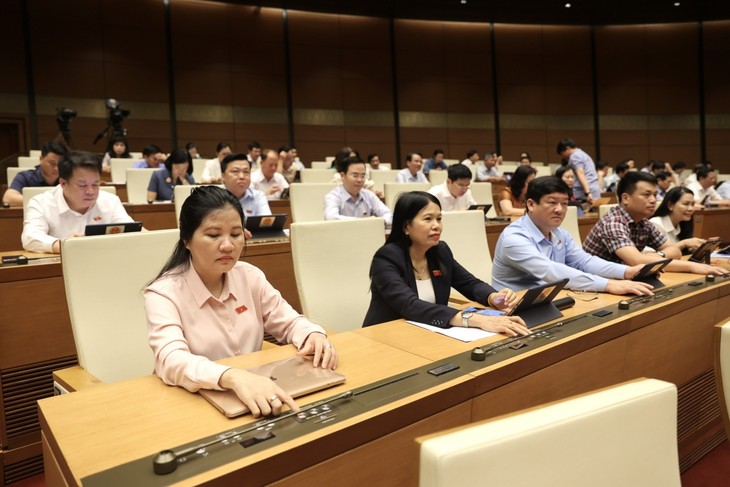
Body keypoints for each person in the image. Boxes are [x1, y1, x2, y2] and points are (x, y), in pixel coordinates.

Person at [144, 186, 337, 418]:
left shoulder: (249, 275)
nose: (227, 245)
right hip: (194, 405)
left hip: (259, 394)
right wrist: (232, 376)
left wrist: (312, 335)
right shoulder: (163, 293)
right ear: (186, 240)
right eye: (214, 235)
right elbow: (171, 360)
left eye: (235, 234)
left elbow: (289, 321)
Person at [362, 191, 529, 335]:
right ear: (406, 226)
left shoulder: (440, 251)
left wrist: (493, 297)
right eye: (428, 219)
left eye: (439, 219)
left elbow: (469, 283)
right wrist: (475, 319)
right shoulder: (386, 258)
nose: (437, 226)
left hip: (429, 333)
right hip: (387, 336)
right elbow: (410, 306)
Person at [491, 176, 654, 296]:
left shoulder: (559, 232)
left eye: (564, 203)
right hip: (513, 307)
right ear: (531, 204)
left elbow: (584, 262)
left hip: (549, 299)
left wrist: (627, 271)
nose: (560, 209)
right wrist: (609, 284)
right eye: (552, 202)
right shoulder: (514, 238)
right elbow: (551, 271)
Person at [582, 171, 728, 276]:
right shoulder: (613, 222)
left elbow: (675, 251)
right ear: (625, 198)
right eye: (646, 195)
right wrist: (693, 266)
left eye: (655, 195)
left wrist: (656, 256)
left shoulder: (644, 223)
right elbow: (637, 260)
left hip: (623, 277)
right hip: (594, 281)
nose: (653, 200)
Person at [22, 151, 134, 253]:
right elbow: (30, 237)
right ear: (63, 183)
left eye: (95, 184)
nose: (90, 191)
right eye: (82, 185)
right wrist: (67, 245)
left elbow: (132, 230)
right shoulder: (41, 203)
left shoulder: (110, 200)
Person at [324, 156, 393, 224]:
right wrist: (363, 222)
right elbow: (331, 218)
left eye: (363, 176)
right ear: (342, 176)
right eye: (355, 176)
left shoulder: (369, 195)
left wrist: (378, 221)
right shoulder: (332, 196)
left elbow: (389, 215)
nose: (360, 180)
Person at [3, 141, 66, 207]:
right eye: (52, 163)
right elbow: (8, 198)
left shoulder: (67, 178)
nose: (56, 168)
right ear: (41, 159)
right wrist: (42, 202)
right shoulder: (25, 177)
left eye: (60, 164)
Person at [220, 152, 271, 227]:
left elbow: (267, 224)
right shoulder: (214, 197)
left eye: (246, 172)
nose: (242, 176)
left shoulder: (258, 196)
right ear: (223, 176)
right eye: (235, 171)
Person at [650, 186, 706, 253]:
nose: (691, 209)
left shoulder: (682, 223)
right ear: (670, 205)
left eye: (692, 204)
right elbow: (658, 255)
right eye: (686, 204)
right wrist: (683, 244)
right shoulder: (656, 224)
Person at [556, 138, 600, 203]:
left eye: (562, 154)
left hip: (584, 191)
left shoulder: (574, 156)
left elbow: (580, 173)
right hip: (593, 187)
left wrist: (587, 193)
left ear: (567, 148)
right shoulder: (582, 154)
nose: (563, 157)